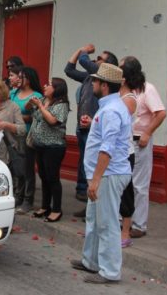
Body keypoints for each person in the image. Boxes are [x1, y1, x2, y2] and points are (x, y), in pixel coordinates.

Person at [70, 63, 131, 284]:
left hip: (108, 174)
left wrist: (95, 179)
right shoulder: (109, 107)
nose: (92, 83)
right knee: (95, 219)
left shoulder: (112, 110)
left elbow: (108, 147)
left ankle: (110, 271)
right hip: (104, 173)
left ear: (104, 85)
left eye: (95, 81)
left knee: (106, 223)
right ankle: (91, 261)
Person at [64, 44, 118, 218]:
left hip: (94, 129)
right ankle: (88, 203)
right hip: (83, 127)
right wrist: (79, 49)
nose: (96, 60)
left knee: (94, 167)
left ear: (107, 66)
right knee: (85, 163)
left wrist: (85, 50)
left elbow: (83, 60)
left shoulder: (101, 72)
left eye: (100, 59)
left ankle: (94, 208)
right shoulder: (90, 77)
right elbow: (69, 69)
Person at [128, 58, 167, 239]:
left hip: (140, 140)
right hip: (127, 141)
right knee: (125, 182)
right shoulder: (127, 91)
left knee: (139, 184)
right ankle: (125, 218)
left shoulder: (147, 89)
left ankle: (139, 224)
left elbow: (160, 113)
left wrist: (147, 133)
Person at [29, 78, 69, 223]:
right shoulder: (44, 100)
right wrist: (33, 104)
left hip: (54, 147)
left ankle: (57, 209)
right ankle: (45, 206)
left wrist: (40, 106)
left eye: (50, 84)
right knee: (43, 177)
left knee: (53, 178)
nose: (45, 86)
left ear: (57, 89)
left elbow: (52, 121)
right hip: (40, 145)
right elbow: (35, 116)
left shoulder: (61, 105)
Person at [118, 57, 145, 248]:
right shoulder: (117, 95)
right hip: (114, 151)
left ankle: (125, 233)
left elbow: (118, 122)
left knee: (126, 192)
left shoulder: (129, 99)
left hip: (124, 152)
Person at [10, 66, 43, 214]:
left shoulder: (36, 95)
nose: (17, 79)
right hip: (13, 134)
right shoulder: (13, 93)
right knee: (17, 167)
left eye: (21, 76)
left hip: (28, 135)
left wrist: (16, 117)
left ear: (28, 79)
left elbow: (35, 116)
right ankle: (18, 195)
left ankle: (28, 200)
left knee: (28, 169)